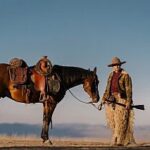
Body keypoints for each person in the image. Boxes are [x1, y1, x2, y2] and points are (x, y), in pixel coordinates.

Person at [101, 57, 136, 146]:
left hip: (121, 100)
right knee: (113, 121)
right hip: (111, 99)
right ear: (112, 66)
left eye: (118, 65)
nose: (116, 66)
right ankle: (116, 137)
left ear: (120, 65)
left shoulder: (125, 75)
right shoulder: (110, 75)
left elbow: (129, 89)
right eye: (114, 65)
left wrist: (128, 101)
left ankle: (118, 139)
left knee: (120, 120)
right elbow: (107, 88)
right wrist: (103, 98)